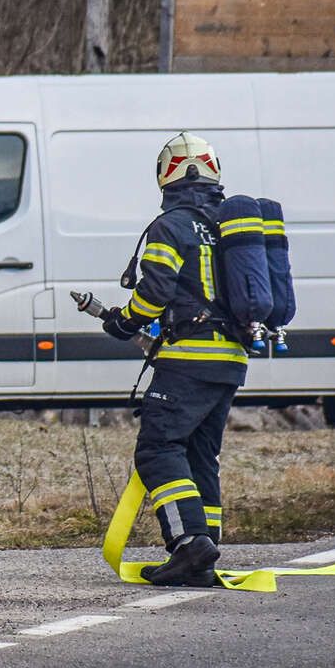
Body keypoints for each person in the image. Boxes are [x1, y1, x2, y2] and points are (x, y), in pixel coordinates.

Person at [100, 133, 250, 587]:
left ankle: (188, 545)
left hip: (188, 358)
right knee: (202, 453)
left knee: (158, 449)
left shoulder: (170, 227)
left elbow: (155, 291)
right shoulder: (228, 226)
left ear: (167, 174)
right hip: (230, 361)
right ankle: (205, 548)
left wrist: (125, 321)